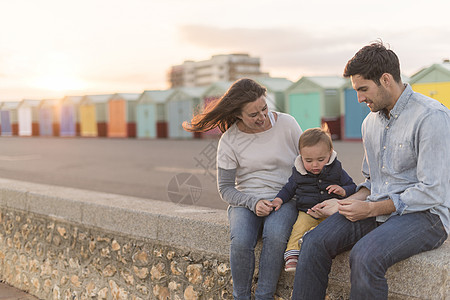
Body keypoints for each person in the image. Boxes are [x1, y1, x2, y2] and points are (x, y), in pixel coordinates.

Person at [292, 41, 450, 299]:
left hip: (427, 216)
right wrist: (344, 204)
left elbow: (433, 191)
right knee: (313, 242)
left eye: (363, 89)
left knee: (365, 256)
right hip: (378, 209)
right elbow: (372, 182)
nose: (359, 98)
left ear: (386, 79)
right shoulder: (370, 123)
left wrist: (372, 209)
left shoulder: (431, 117)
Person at [183, 78, 302, 299]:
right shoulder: (229, 140)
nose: (262, 117)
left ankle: (264, 296)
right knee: (241, 241)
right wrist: (252, 202)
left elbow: (306, 165)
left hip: (284, 199)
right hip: (245, 201)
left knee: (275, 235)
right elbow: (226, 188)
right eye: (253, 114)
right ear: (238, 114)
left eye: (264, 108)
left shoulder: (288, 124)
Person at [273, 126, 356, 272]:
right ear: (301, 156)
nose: (315, 165)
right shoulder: (299, 172)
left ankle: (309, 238)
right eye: (309, 160)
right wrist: (279, 199)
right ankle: (292, 255)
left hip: (330, 212)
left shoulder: (336, 170)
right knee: (298, 228)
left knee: (327, 230)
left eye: (320, 159)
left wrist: (343, 191)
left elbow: (352, 186)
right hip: (307, 211)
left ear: (330, 153)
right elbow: (288, 189)